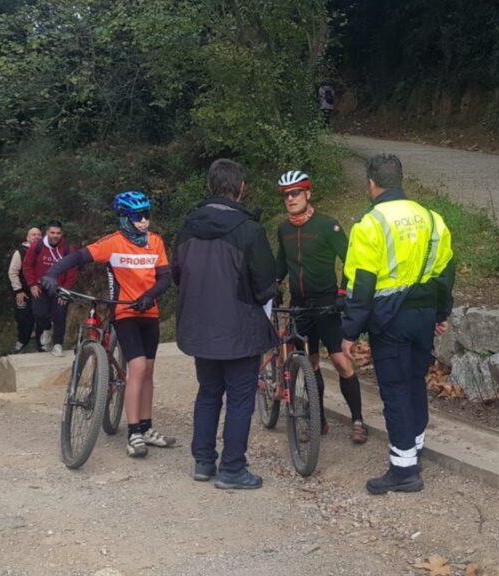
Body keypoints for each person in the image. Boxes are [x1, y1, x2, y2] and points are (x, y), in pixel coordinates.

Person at [341, 153, 455, 495]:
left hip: (390, 320)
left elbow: (362, 285)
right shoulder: (432, 219)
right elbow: (445, 273)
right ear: (401, 180)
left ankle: (403, 470)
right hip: (423, 316)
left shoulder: (370, 224)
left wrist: (350, 332)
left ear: (371, 183)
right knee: (415, 381)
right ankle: (414, 447)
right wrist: (441, 314)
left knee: (394, 389)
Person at [39, 192, 176, 458]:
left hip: (149, 312)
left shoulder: (156, 241)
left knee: (148, 371)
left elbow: (165, 278)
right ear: (125, 218)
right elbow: (78, 257)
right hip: (124, 313)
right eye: (138, 216)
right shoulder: (113, 243)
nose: (144, 221)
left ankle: (147, 427)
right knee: (137, 367)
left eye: (147, 215)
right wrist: (52, 273)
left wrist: (150, 295)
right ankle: (134, 432)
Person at [173, 159, 278, 490]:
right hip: (240, 330)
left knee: (208, 392)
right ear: (241, 188)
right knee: (240, 399)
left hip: (199, 327)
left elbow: (177, 274)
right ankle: (232, 468)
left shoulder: (188, 227)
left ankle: (204, 461)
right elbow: (265, 284)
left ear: (210, 186)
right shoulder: (250, 230)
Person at [274, 170, 367, 444]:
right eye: (286, 195)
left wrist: (342, 292)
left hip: (327, 303)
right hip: (299, 305)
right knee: (310, 363)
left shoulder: (328, 225)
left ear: (308, 194)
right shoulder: (284, 229)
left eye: (296, 193)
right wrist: (274, 284)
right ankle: (319, 420)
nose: (290, 199)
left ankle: (358, 420)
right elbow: (281, 263)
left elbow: (351, 260)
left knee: (341, 362)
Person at [22, 220, 77, 357]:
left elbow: (72, 270)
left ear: (62, 234)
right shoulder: (37, 246)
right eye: (52, 233)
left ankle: (58, 344)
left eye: (58, 233)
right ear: (47, 233)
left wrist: (66, 290)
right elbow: (27, 265)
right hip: (40, 287)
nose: (55, 236)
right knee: (39, 313)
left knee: (60, 315)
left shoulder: (67, 248)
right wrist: (32, 284)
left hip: (60, 288)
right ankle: (47, 328)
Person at [8, 227, 44, 353]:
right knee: (22, 318)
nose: (36, 237)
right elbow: (13, 272)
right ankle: (22, 340)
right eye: (33, 235)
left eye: (39, 234)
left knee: (42, 316)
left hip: (41, 290)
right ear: (27, 238)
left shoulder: (46, 252)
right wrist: (18, 290)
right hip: (23, 291)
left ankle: (41, 343)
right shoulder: (20, 252)